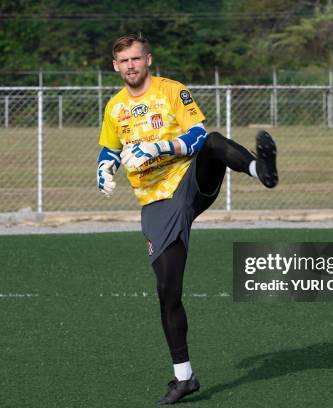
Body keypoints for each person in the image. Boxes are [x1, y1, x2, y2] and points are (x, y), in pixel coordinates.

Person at [96, 33, 278, 405]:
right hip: (155, 203)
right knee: (168, 291)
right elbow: (108, 147)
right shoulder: (114, 108)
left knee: (213, 142)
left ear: (148, 59)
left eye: (136, 58)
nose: (130, 66)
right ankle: (184, 377)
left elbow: (194, 135)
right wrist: (104, 168)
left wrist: (159, 147)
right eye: (123, 61)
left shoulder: (171, 91)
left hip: (188, 181)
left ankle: (262, 171)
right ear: (116, 67)